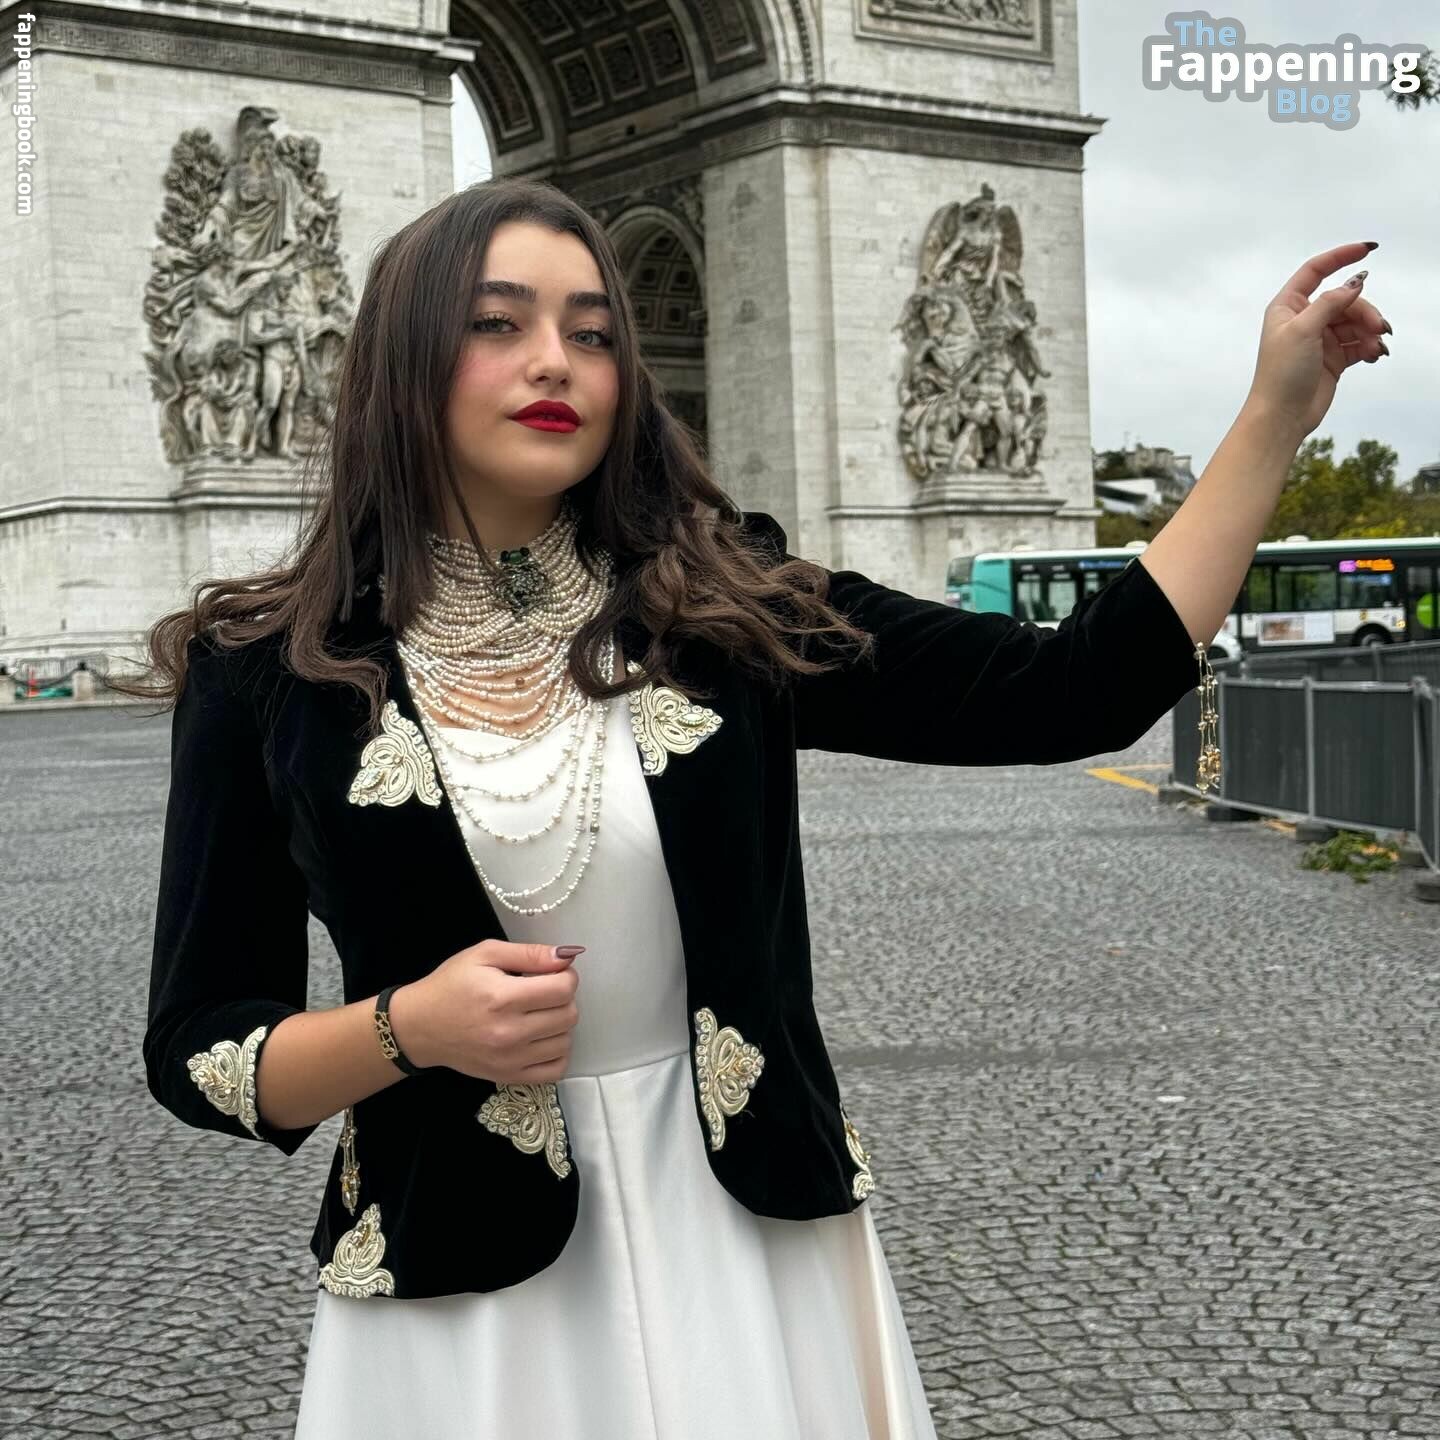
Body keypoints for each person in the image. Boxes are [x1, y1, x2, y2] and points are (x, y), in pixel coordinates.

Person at [127, 176, 1389, 1439]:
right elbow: (196, 1048)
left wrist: (1274, 414)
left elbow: (1074, 692)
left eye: (594, 332)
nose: (555, 360)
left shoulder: (724, 608)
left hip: (750, 1246)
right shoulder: (263, 672)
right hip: (459, 1289)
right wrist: (407, 1030)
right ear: (400, 362)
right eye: (497, 323)